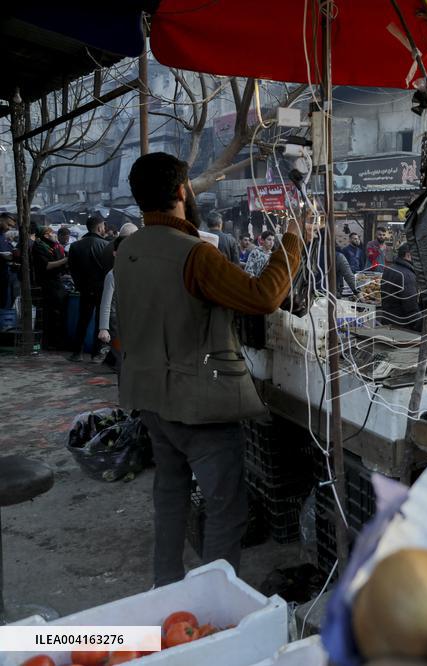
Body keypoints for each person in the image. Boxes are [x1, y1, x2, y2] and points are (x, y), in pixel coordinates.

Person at [116, 151, 308, 587]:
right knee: (225, 507)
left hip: (150, 398)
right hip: (199, 404)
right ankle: (211, 605)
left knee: (170, 495)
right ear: (181, 191)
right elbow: (263, 297)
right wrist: (293, 240)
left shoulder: (127, 250)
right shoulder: (194, 255)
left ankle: (165, 585)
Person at [67, 216, 112, 362]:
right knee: (102, 322)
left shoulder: (75, 246)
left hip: (84, 289)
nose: (104, 229)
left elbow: (72, 270)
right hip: (103, 290)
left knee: (83, 320)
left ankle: (77, 353)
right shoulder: (107, 245)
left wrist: (80, 285)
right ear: (99, 228)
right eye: (103, 227)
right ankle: (97, 354)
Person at [97, 224, 139, 372]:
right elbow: (106, 303)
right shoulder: (112, 274)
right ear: (115, 253)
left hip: (132, 321)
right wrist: (104, 328)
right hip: (116, 324)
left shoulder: (137, 271)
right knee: (122, 359)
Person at [32, 224, 70, 349]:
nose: (54, 234)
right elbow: (46, 266)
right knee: (49, 315)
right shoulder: (39, 247)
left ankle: (57, 341)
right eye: (51, 233)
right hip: (47, 284)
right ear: (45, 235)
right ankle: (48, 343)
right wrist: (65, 260)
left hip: (57, 282)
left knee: (58, 314)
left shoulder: (55, 246)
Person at [380, 242, 420, 331]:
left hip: (388, 320)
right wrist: (419, 326)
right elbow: (411, 307)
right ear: (408, 255)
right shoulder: (407, 275)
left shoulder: (390, 268)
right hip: (401, 325)